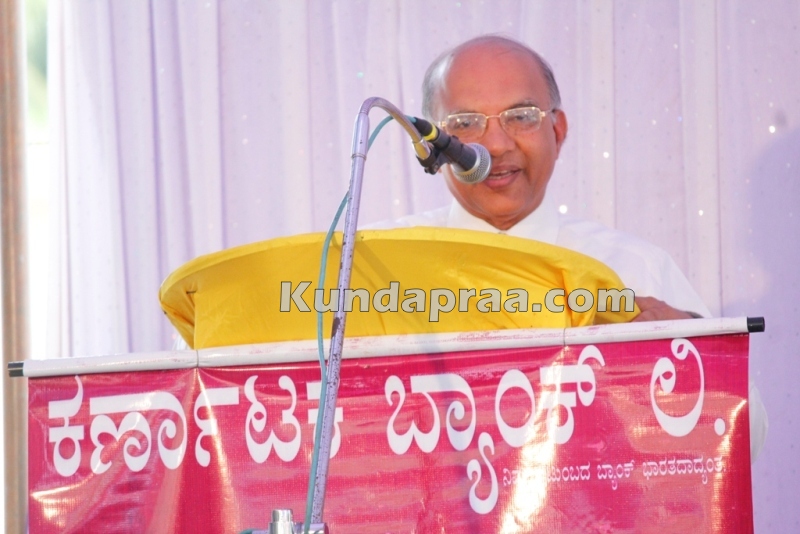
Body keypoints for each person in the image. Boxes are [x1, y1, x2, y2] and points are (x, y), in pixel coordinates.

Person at [370, 34, 767, 459]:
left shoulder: (634, 268)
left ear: (558, 131)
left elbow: (745, 439)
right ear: (429, 147)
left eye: (521, 117)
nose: (496, 145)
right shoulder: (376, 270)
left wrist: (690, 356)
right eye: (465, 123)